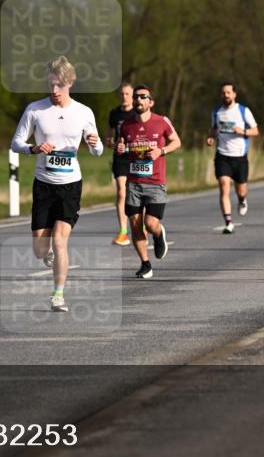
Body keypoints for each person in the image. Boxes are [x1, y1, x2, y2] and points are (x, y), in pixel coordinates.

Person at [11, 56, 103, 311]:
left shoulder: (84, 112)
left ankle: (58, 295)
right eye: (50, 84)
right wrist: (34, 148)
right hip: (43, 184)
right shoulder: (35, 109)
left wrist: (95, 145)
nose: (53, 91)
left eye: (59, 86)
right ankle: (48, 253)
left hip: (70, 184)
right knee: (41, 249)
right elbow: (16, 142)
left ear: (70, 83)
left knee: (61, 240)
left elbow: (98, 150)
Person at [116, 85, 181, 279]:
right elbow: (121, 145)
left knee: (150, 223)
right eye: (136, 96)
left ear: (150, 102)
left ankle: (159, 234)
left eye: (143, 96)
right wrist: (120, 148)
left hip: (155, 182)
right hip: (133, 183)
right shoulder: (126, 125)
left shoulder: (161, 121)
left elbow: (177, 142)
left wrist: (161, 151)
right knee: (135, 225)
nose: (138, 99)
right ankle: (145, 264)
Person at [206, 82, 258, 234]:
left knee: (241, 190)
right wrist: (210, 138)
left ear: (234, 94)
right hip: (222, 155)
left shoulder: (243, 110)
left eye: (228, 92)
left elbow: (255, 130)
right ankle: (228, 222)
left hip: (240, 156)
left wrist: (242, 131)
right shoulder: (216, 112)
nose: (226, 95)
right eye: (223, 93)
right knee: (224, 185)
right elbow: (213, 130)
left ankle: (242, 200)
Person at [106, 82, 134, 245]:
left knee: (137, 193)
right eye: (122, 94)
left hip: (137, 157)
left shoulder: (137, 114)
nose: (124, 96)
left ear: (132, 96)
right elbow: (108, 139)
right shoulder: (114, 114)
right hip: (120, 158)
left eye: (127, 94)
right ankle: (123, 232)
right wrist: (112, 143)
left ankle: (141, 226)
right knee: (122, 193)